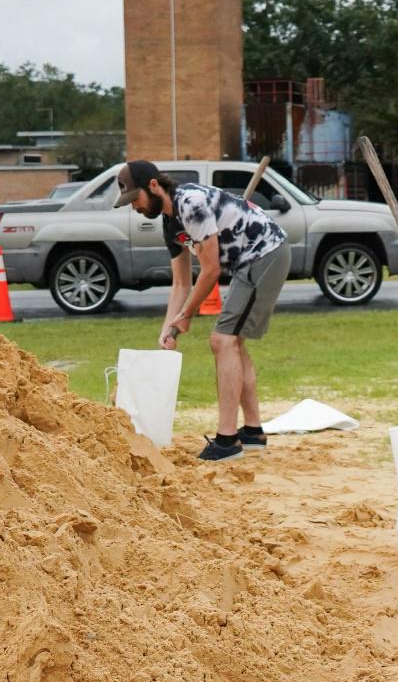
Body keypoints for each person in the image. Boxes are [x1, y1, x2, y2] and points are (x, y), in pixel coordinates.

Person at [116, 160, 292, 462]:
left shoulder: (191, 204)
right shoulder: (171, 224)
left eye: (136, 199)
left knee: (222, 341)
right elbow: (181, 283)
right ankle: (252, 432)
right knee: (232, 343)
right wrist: (168, 326)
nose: (135, 207)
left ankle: (227, 441)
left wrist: (186, 315)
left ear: (154, 186)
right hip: (247, 262)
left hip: (265, 254)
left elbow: (209, 271)